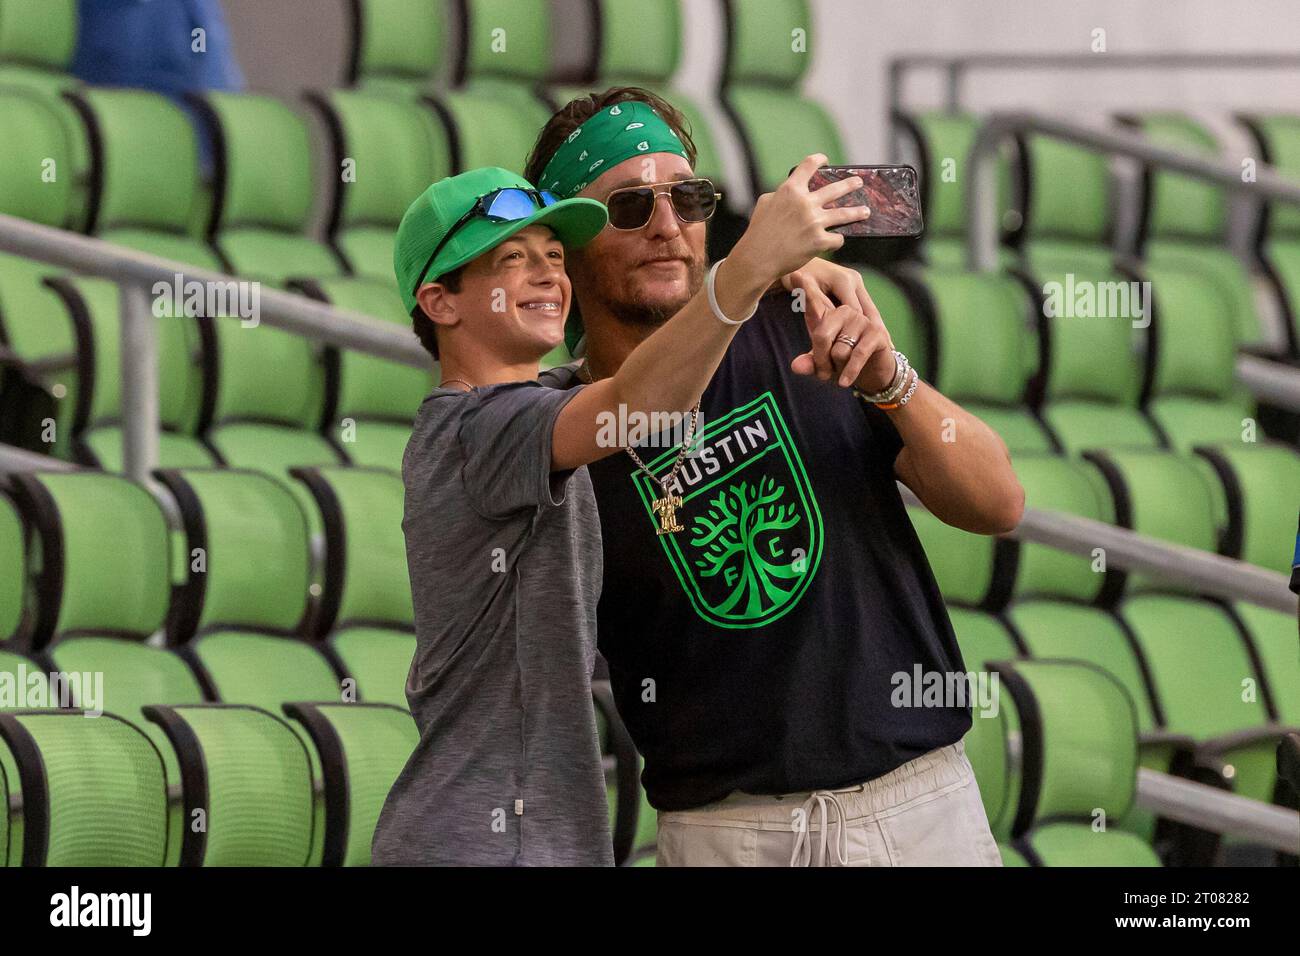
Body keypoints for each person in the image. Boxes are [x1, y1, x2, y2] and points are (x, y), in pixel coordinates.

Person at [529, 89, 1025, 867]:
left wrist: (891, 380)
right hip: (728, 832)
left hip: (917, 806)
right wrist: (751, 268)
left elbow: (999, 501)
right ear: (567, 240)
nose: (667, 227)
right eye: (629, 207)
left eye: (686, 198)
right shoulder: (561, 427)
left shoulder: (801, 318)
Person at [371, 162, 870, 865]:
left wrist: (788, 276)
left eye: (553, 255)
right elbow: (641, 404)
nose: (547, 274)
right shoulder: (479, 429)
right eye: (511, 259)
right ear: (441, 302)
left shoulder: (533, 414)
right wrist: (750, 266)